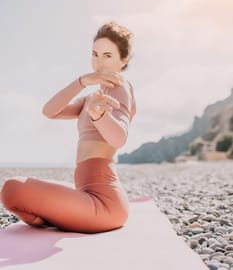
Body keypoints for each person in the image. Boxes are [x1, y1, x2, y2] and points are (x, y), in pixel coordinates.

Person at [1, 21, 137, 233]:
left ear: (124, 60)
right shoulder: (92, 97)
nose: (99, 63)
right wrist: (82, 81)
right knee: (12, 192)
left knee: (13, 188)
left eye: (108, 56)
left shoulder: (120, 87)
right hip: (85, 192)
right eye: (95, 54)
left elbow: (119, 138)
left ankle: (56, 219)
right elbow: (50, 111)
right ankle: (59, 219)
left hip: (105, 204)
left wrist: (99, 115)